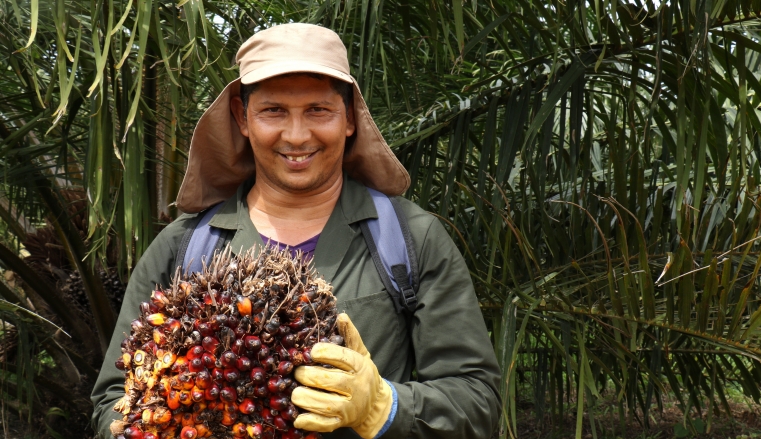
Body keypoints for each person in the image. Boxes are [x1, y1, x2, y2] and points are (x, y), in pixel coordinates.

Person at [91, 23, 500, 439]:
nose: (297, 135)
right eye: (274, 111)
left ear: (349, 119)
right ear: (242, 118)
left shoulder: (410, 239)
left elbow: (477, 400)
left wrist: (383, 405)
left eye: (318, 110)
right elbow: (114, 400)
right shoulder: (183, 248)